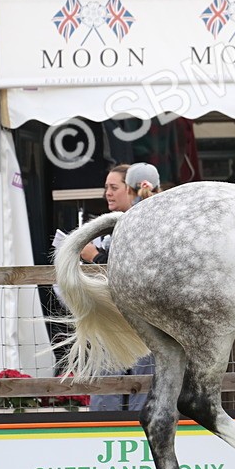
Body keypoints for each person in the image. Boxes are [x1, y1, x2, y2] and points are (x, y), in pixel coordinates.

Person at [80, 162, 162, 413]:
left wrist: (94, 257)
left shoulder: (139, 221)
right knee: (146, 387)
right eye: (106, 187)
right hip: (148, 317)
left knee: (112, 388)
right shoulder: (160, 216)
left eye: (114, 187)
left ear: (129, 189)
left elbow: (130, 268)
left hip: (129, 315)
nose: (108, 193)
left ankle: (104, 435)